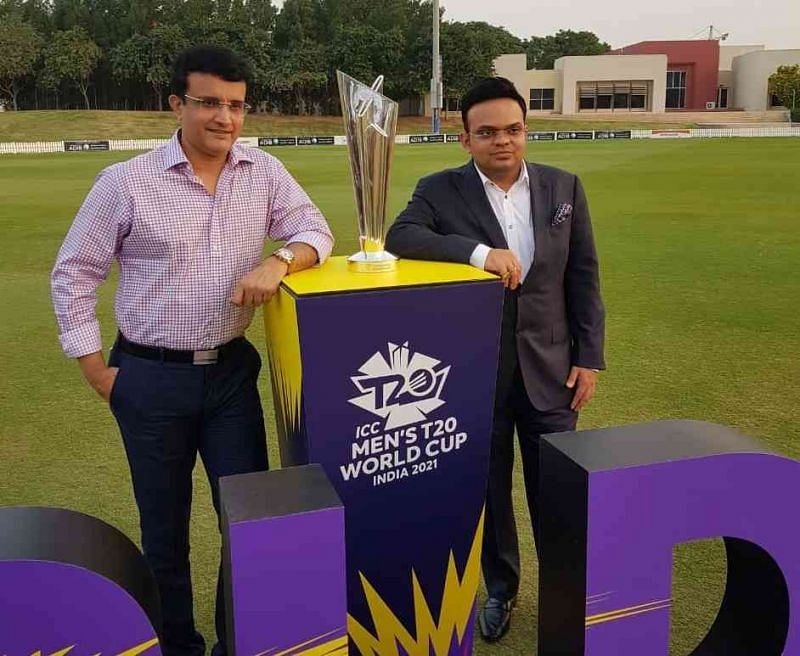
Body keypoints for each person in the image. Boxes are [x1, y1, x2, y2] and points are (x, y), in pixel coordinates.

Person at [51, 45, 333, 655]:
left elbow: (316, 231)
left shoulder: (263, 172)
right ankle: (179, 645)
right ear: (177, 104)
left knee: (249, 524)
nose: (224, 118)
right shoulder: (125, 182)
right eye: (209, 103)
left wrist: (279, 259)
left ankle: (245, 641)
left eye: (235, 105)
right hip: (148, 378)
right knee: (164, 532)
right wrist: (100, 372)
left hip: (231, 377)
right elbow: (74, 272)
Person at [385, 76, 605, 642]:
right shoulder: (439, 190)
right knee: (490, 492)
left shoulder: (564, 187)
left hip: (552, 370)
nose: (502, 142)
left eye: (512, 130)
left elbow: (583, 277)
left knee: (558, 490)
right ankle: (501, 590)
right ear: (465, 140)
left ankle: (566, 590)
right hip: (474, 373)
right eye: (487, 133)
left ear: (525, 131)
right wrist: (479, 253)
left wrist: (590, 358)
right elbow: (400, 235)